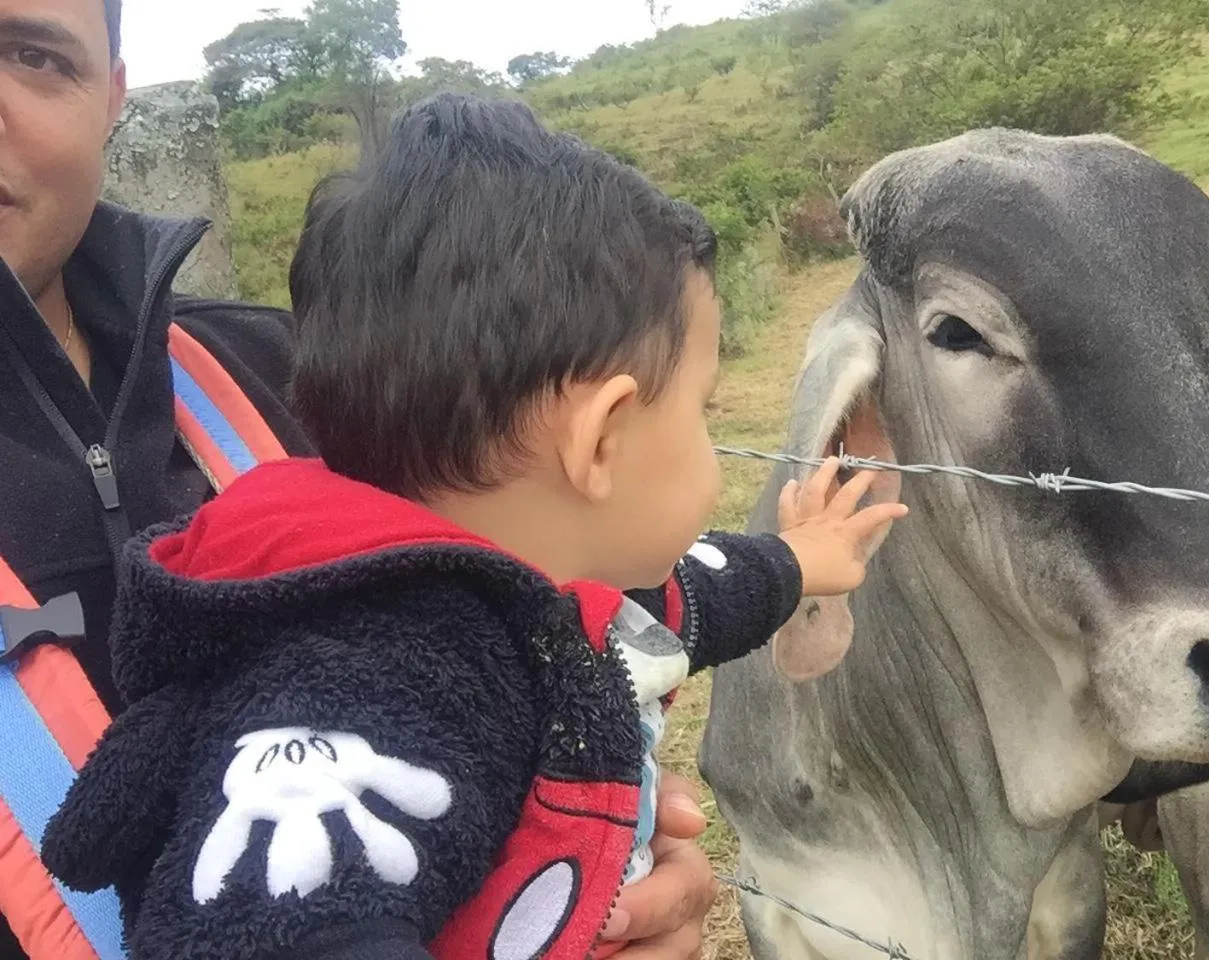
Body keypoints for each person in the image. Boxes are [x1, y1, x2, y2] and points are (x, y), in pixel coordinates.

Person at [41, 94, 908, 960]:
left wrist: (799, 559)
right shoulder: (365, 686)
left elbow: (687, 594)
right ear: (601, 438)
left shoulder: (537, 585)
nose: (712, 441)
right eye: (702, 410)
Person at [0, 1, 722, 957]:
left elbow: (588, 569)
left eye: (34, 54)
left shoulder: (297, 374)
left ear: (111, 97)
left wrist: (596, 895)